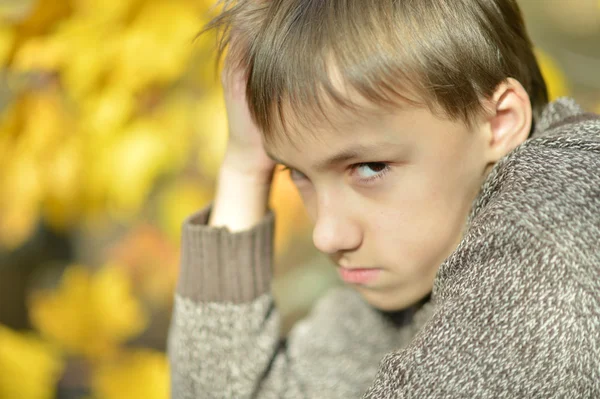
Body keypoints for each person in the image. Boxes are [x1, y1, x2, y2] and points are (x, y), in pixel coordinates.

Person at [168, 0, 600, 397]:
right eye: (297, 173)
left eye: (370, 168)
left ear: (499, 123)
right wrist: (245, 165)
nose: (327, 235)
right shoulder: (403, 285)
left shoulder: (559, 220)